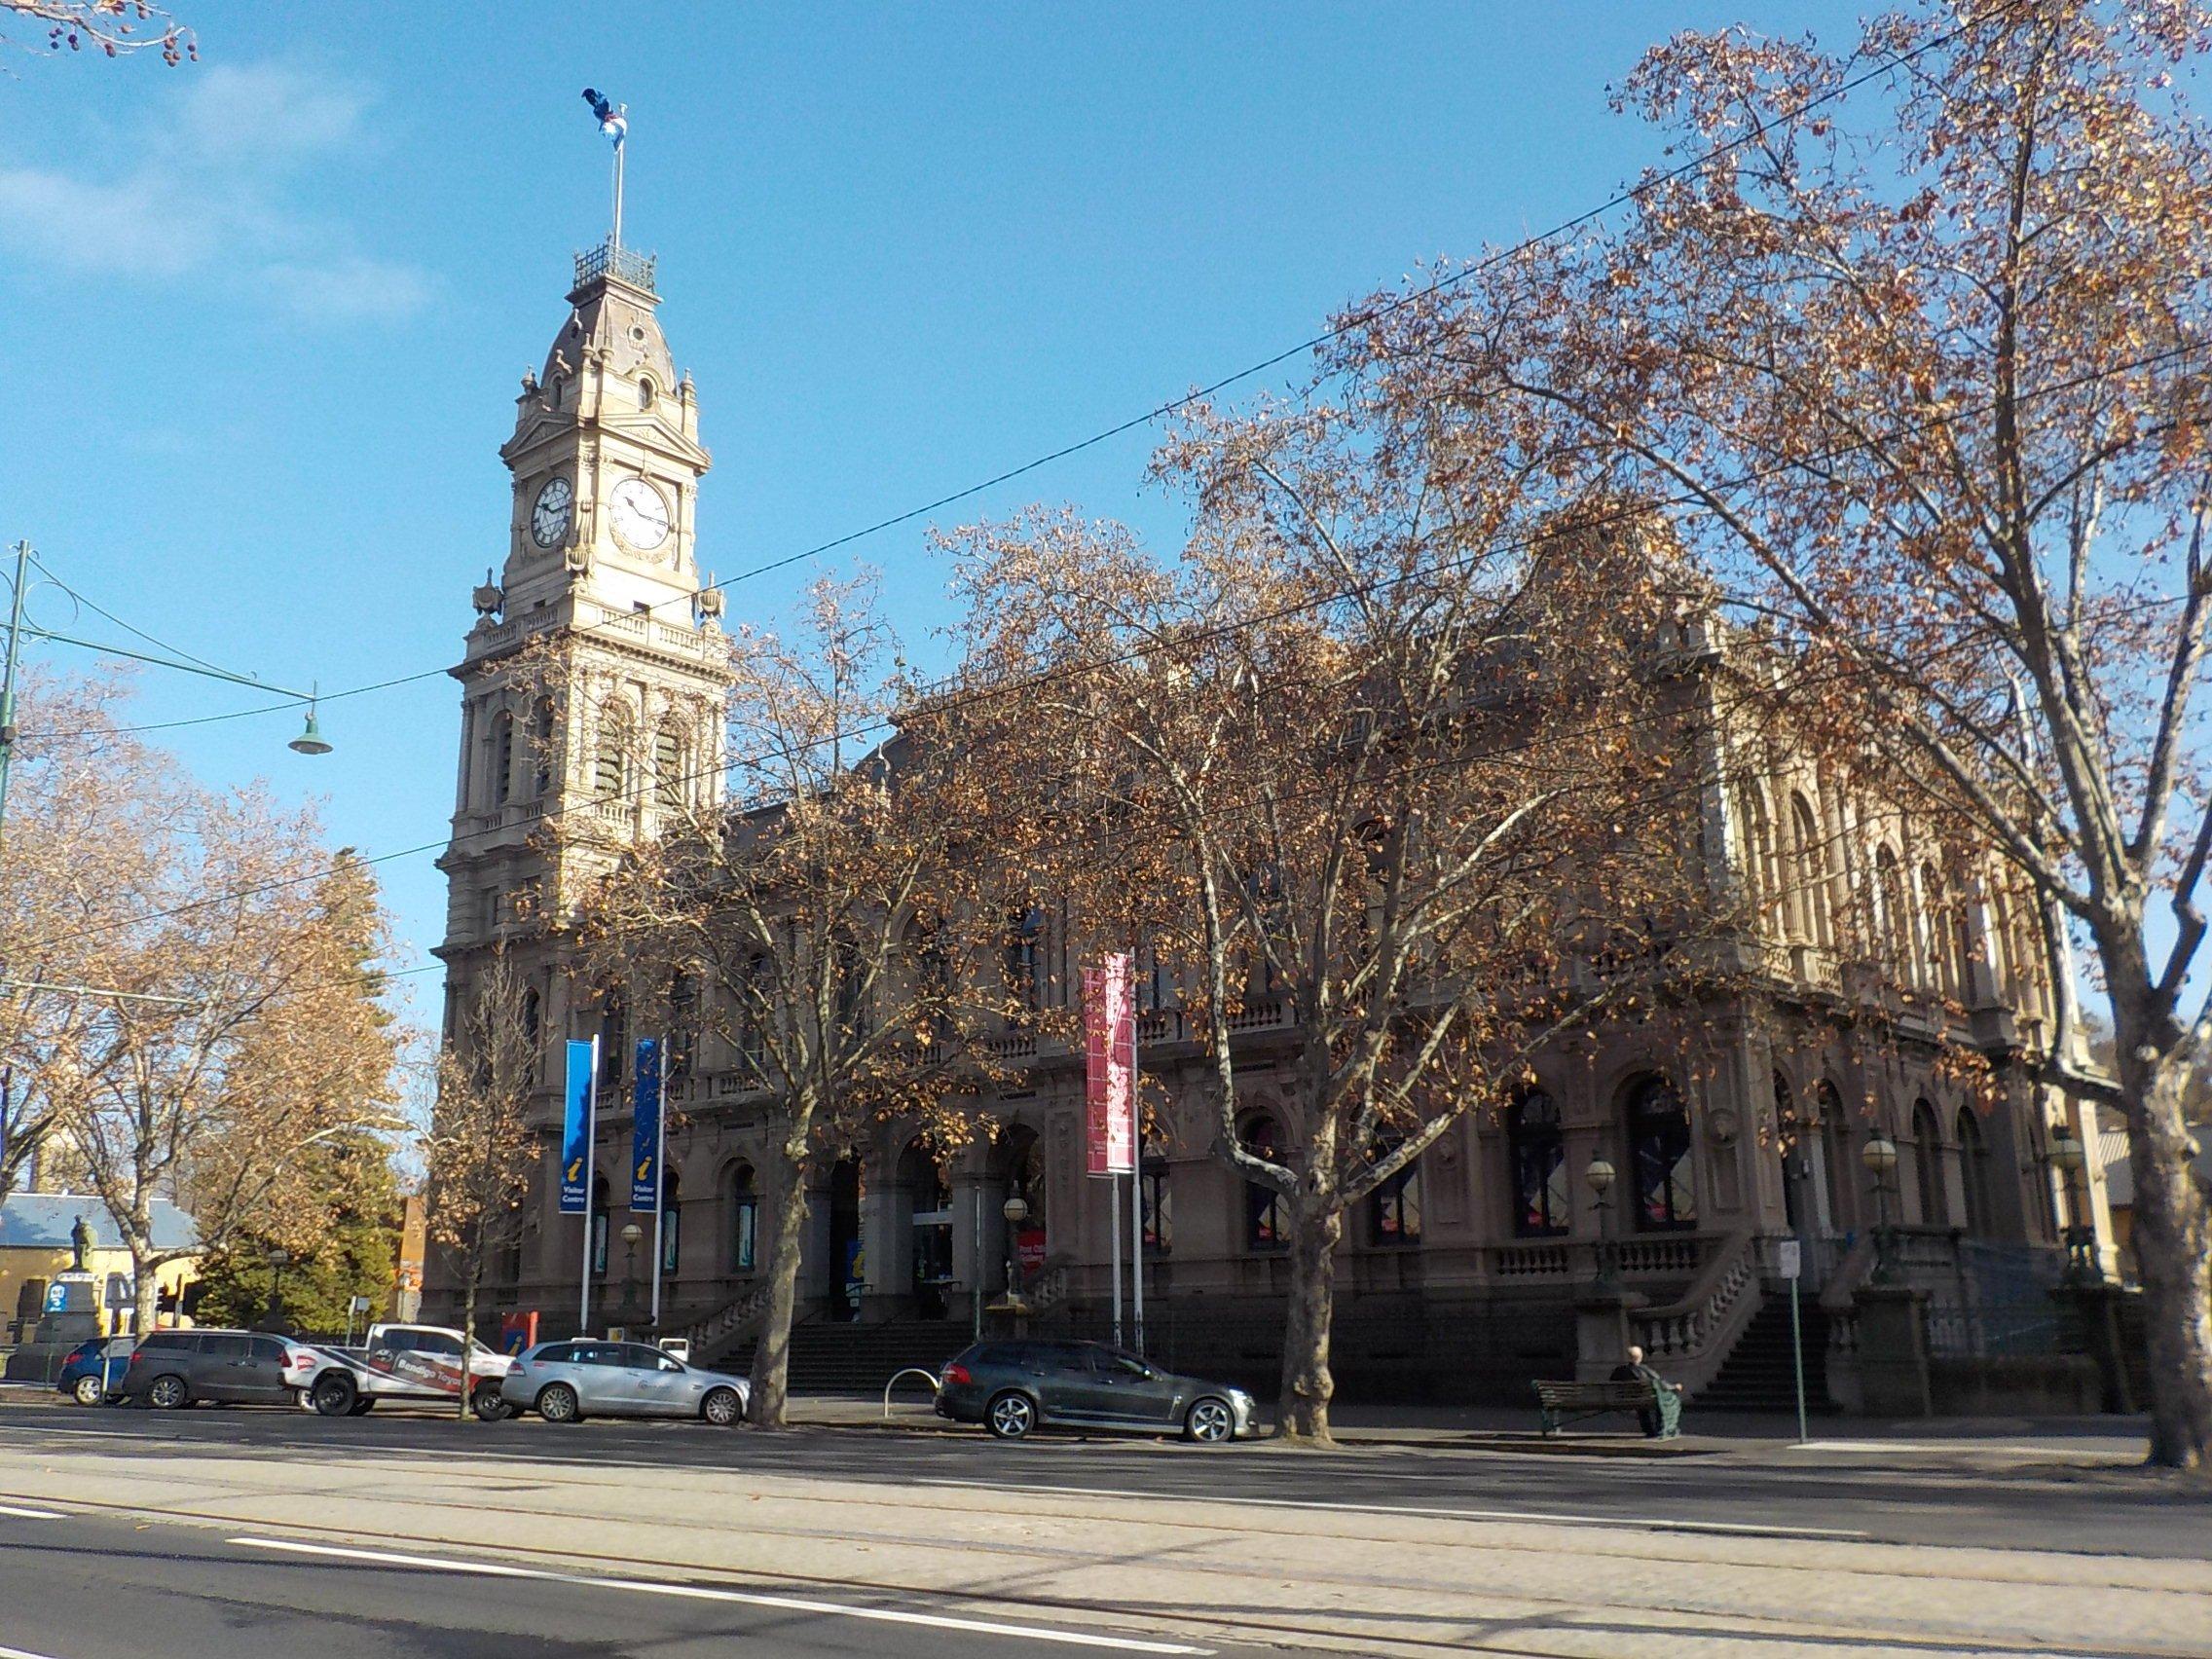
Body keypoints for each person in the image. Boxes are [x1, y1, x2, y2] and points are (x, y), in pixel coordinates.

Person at [1610, 1344, 1684, 1437]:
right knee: (1662, 1400)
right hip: (1644, 1398)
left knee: (1642, 1404)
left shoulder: (1619, 1370)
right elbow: (1660, 1382)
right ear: (1640, 1356)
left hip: (1625, 1398)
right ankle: (1660, 1428)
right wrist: (1674, 1387)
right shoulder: (1644, 1369)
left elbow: (1612, 1381)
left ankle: (1648, 1429)